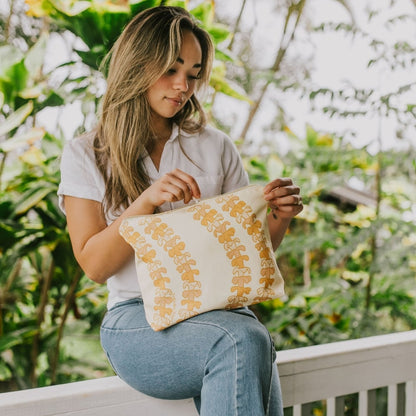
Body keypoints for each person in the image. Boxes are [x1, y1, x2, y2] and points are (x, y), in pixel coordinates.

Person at [58, 6, 303, 416]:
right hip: (136, 322)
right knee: (243, 338)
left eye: (192, 73)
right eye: (171, 69)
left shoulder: (215, 145)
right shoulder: (86, 152)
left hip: (222, 314)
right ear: (138, 65)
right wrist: (146, 202)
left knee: (245, 335)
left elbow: (246, 252)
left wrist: (279, 217)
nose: (182, 85)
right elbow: (94, 266)